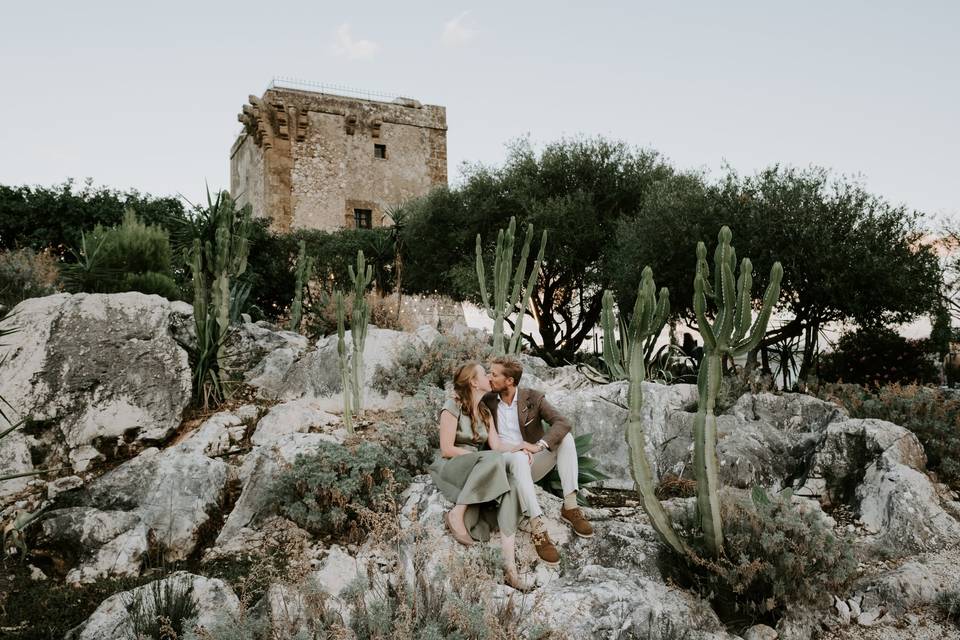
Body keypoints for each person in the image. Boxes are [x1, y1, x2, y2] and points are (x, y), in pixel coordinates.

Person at [428, 361, 535, 591]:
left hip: (479, 467)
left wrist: (521, 446)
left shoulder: (485, 412)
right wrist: (474, 456)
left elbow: (496, 446)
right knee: (492, 459)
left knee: (513, 486)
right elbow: (446, 448)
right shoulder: (452, 406)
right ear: (474, 382)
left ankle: (510, 569)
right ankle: (458, 513)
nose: (489, 376)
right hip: (453, 466)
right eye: (483, 373)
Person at [484, 356, 594, 567]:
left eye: (494, 374)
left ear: (509, 381)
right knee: (517, 457)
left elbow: (562, 422)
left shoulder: (532, 398)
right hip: (506, 465)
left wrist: (538, 445)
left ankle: (570, 506)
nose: (490, 377)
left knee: (566, 439)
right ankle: (538, 527)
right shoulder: (487, 400)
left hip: (531, 462)